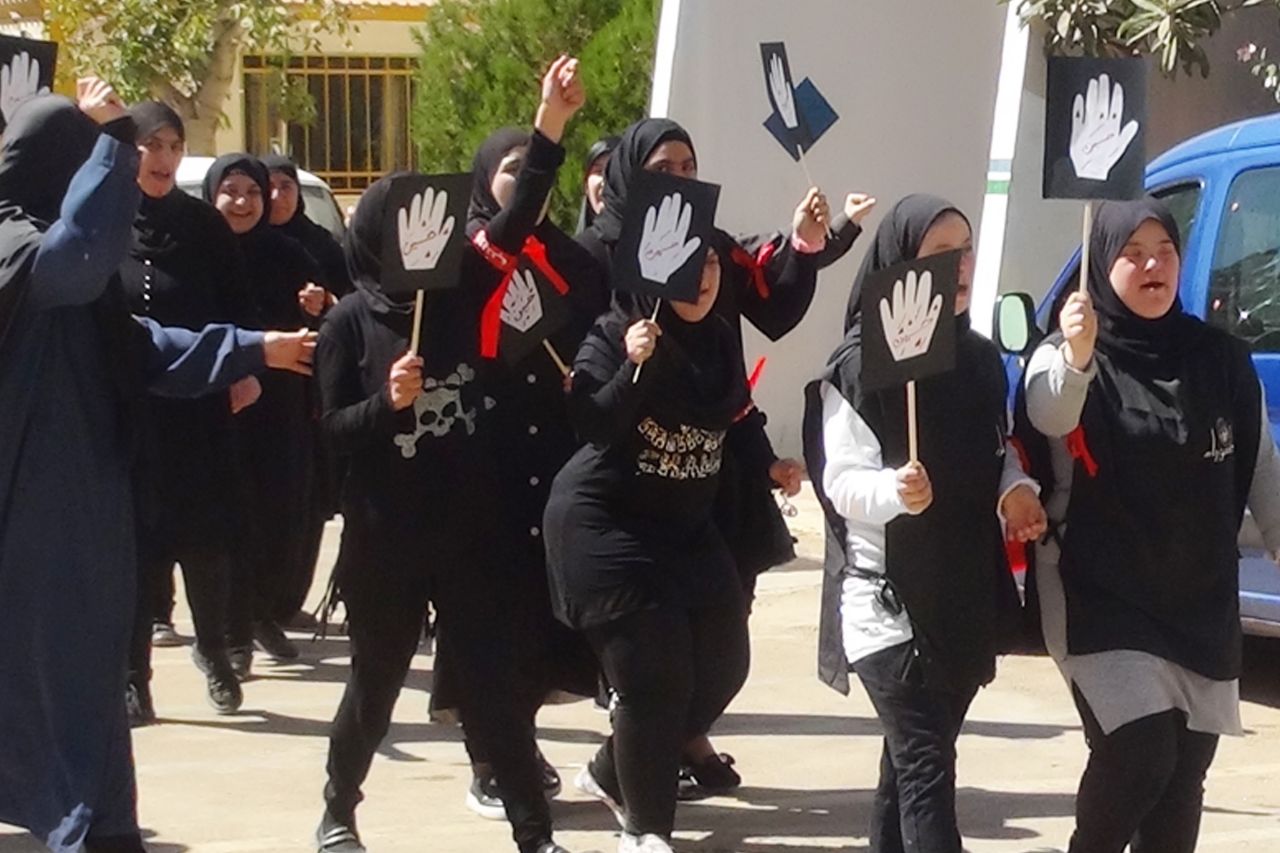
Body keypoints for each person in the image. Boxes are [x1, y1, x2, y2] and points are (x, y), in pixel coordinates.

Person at [0, 87, 314, 853]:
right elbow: (76, 261)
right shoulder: (14, 245)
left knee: (87, 670)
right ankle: (78, 818)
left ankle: (99, 820)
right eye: (82, 159)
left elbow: (143, 346)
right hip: (30, 512)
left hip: (90, 505)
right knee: (50, 666)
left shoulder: (62, 252)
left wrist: (254, 348)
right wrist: (114, 147)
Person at [314, 159, 574, 852]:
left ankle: (534, 832)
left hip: (469, 536)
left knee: (494, 688)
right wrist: (385, 403)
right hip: (385, 542)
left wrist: (549, 130)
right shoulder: (348, 323)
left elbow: (515, 223)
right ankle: (338, 809)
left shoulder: (460, 302)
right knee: (376, 683)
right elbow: (331, 430)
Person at [1018, 198, 1280, 853]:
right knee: (1139, 753)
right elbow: (1048, 412)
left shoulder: (1219, 358)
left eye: (1164, 251)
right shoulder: (1067, 355)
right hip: (1100, 594)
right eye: (1132, 254)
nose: (1152, 265)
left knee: (1184, 776)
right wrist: (1078, 355)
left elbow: (1259, 463)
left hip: (1198, 595)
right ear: (1103, 265)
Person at [803, 194, 1046, 853]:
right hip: (890, 606)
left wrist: (1016, 491)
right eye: (941, 253)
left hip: (963, 601)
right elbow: (841, 482)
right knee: (926, 770)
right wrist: (895, 490)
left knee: (911, 764)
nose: (959, 266)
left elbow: (997, 450)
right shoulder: (858, 366)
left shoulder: (981, 360)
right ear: (901, 265)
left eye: (965, 251)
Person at [427, 57, 609, 821]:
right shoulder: (467, 258)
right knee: (484, 616)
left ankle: (518, 741)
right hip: (481, 463)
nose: (522, 180)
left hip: (552, 461)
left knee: (538, 614)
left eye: (526, 169)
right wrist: (550, 128)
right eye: (510, 168)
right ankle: (488, 755)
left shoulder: (571, 259)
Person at [544, 246, 755, 853]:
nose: (704, 277)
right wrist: (633, 366)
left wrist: (771, 466)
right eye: (691, 263)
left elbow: (734, 418)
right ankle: (645, 830)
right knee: (653, 681)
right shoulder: (616, 332)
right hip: (607, 525)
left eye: (712, 263)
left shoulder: (718, 339)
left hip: (684, 528)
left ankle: (611, 770)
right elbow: (591, 422)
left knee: (725, 663)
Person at [121, 101, 263, 721]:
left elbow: (240, 307)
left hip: (199, 410)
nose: (164, 158)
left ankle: (215, 651)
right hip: (130, 414)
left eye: (173, 146)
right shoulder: (106, 221)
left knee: (206, 542)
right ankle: (133, 676)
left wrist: (246, 370)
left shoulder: (204, 227)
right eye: (151, 145)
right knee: (136, 548)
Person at [204, 153, 327, 675]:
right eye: (231, 191)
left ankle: (262, 611)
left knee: (280, 517)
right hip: (218, 401)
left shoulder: (289, 253)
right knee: (229, 518)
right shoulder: (197, 249)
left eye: (253, 192)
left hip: (281, 406)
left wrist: (317, 304)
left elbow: (326, 317)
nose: (243, 202)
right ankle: (230, 633)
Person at [262, 152, 351, 633]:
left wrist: (327, 303)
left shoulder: (319, 246)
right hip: (254, 386)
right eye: (268, 186)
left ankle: (289, 597)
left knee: (309, 498)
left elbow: (355, 299)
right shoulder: (233, 242)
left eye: (286, 186)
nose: (277, 197)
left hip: (310, 389)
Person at [575, 134, 617, 233]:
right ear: (586, 186)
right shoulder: (573, 243)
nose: (605, 181)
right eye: (598, 171)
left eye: (614, 170)